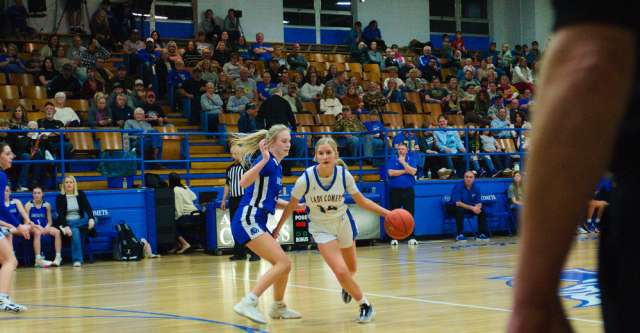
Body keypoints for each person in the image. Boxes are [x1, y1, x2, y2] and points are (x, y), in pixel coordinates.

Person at [276, 137, 390, 323]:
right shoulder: (305, 179)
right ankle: (365, 305)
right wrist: (277, 229)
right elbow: (290, 206)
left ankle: (348, 286)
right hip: (321, 228)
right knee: (340, 270)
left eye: (329, 152)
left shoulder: (344, 175)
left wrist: (389, 214)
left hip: (343, 223)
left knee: (351, 269)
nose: (325, 156)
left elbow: (362, 201)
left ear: (336, 155)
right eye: (321, 153)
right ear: (315, 156)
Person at [229, 125, 301, 324]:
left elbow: (269, 199)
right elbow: (243, 182)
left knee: (284, 266)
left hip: (257, 219)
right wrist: (265, 160)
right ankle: (248, 301)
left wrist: (296, 205)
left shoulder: (276, 166)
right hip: (247, 219)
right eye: (283, 141)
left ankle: (278, 306)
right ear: (270, 143)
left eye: (289, 141)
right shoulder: (267, 163)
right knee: (283, 263)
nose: (288, 145)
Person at [0, 142, 27, 312]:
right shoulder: (1, 176)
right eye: (8, 153)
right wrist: (18, 225)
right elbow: (1, 207)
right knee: (11, 260)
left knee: (6, 261)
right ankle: (2, 299)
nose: (13, 157)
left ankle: (4, 298)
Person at [221, 145, 260, 261]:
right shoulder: (229, 169)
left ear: (242, 152)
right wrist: (224, 199)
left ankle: (255, 253)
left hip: (245, 198)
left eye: (236, 153)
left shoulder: (248, 166)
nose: (234, 156)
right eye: (232, 153)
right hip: (233, 199)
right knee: (235, 226)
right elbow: (227, 184)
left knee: (247, 225)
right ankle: (239, 252)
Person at [4, 186, 51, 268]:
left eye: (7, 191)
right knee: (9, 233)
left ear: (10, 192)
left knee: (37, 231)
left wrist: (32, 224)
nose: (5, 193)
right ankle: (11, 261)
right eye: (3, 191)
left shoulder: (16, 202)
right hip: (5, 227)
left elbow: (24, 214)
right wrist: (11, 226)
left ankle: (38, 259)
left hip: (17, 227)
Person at [55, 176, 95, 267]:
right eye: (67, 182)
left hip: (79, 221)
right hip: (67, 221)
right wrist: (65, 225)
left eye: (71, 182)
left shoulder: (80, 194)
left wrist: (91, 218)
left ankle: (72, 225)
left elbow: (88, 208)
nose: (69, 184)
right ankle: (77, 260)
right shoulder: (60, 197)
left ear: (74, 184)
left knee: (95, 219)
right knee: (75, 231)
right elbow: (60, 214)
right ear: (63, 185)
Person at [386, 142, 418, 245]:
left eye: (403, 149)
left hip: (408, 190)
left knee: (410, 214)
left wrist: (403, 163)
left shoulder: (411, 159)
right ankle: (393, 237)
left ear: (407, 150)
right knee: (393, 214)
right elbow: (391, 173)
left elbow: (413, 172)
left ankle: (411, 237)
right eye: (399, 149)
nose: (401, 151)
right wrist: (405, 170)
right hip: (395, 191)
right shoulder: (392, 159)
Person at [25, 186, 62, 266]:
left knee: (57, 232)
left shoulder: (47, 205)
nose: (37, 195)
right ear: (32, 194)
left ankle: (58, 257)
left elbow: (50, 221)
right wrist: (36, 226)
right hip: (32, 227)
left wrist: (46, 227)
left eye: (39, 193)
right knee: (37, 232)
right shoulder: (28, 205)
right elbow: (26, 221)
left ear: (42, 194)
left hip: (44, 227)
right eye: (35, 193)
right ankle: (38, 259)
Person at [448, 171, 490, 241]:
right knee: (459, 209)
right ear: (464, 178)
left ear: (474, 179)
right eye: (466, 177)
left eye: (471, 177)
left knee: (482, 211)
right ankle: (460, 234)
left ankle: (481, 234)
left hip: (468, 208)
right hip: (454, 207)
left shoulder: (476, 188)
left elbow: (479, 202)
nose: (468, 179)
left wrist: (477, 208)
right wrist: (473, 208)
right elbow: (458, 203)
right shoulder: (458, 186)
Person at [168, 173, 201, 254]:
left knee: (170, 224)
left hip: (188, 216)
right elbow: (194, 197)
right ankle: (177, 245)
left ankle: (184, 244)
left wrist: (175, 218)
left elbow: (179, 209)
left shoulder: (175, 190)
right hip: (197, 214)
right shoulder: (185, 187)